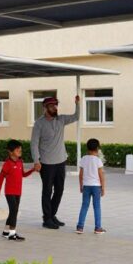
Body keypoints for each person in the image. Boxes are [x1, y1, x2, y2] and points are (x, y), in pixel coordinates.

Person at [31, 95, 80, 229]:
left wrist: (77, 103)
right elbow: (34, 143)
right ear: (45, 108)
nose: (55, 108)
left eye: (56, 105)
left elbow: (76, 116)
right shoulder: (39, 123)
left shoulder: (61, 119)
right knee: (47, 191)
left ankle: (52, 215)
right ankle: (47, 219)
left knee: (59, 190)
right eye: (52, 106)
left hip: (60, 162)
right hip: (46, 163)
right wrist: (36, 160)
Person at [0, 139, 36, 241]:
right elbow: (1, 178)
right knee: (14, 211)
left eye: (20, 150)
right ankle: (12, 234)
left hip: (18, 192)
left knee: (13, 211)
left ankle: (5, 231)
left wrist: (33, 170)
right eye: (17, 150)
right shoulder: (7, 163)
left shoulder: (20, 162)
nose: (20, 151)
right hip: (9, 192)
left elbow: (23, 174)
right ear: (10, 151)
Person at [76, 138, 106, 235]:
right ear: (97, 148)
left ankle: (80, 227)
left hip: (86, 186)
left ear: (87, 148)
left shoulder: (84, 159)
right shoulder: (98, 161)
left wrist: (81, 186)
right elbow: (101, 175)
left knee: (84, 206)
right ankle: (98, 228)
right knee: (97, 206)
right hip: (96, 186)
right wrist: (103, 188)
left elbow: (80, 175)